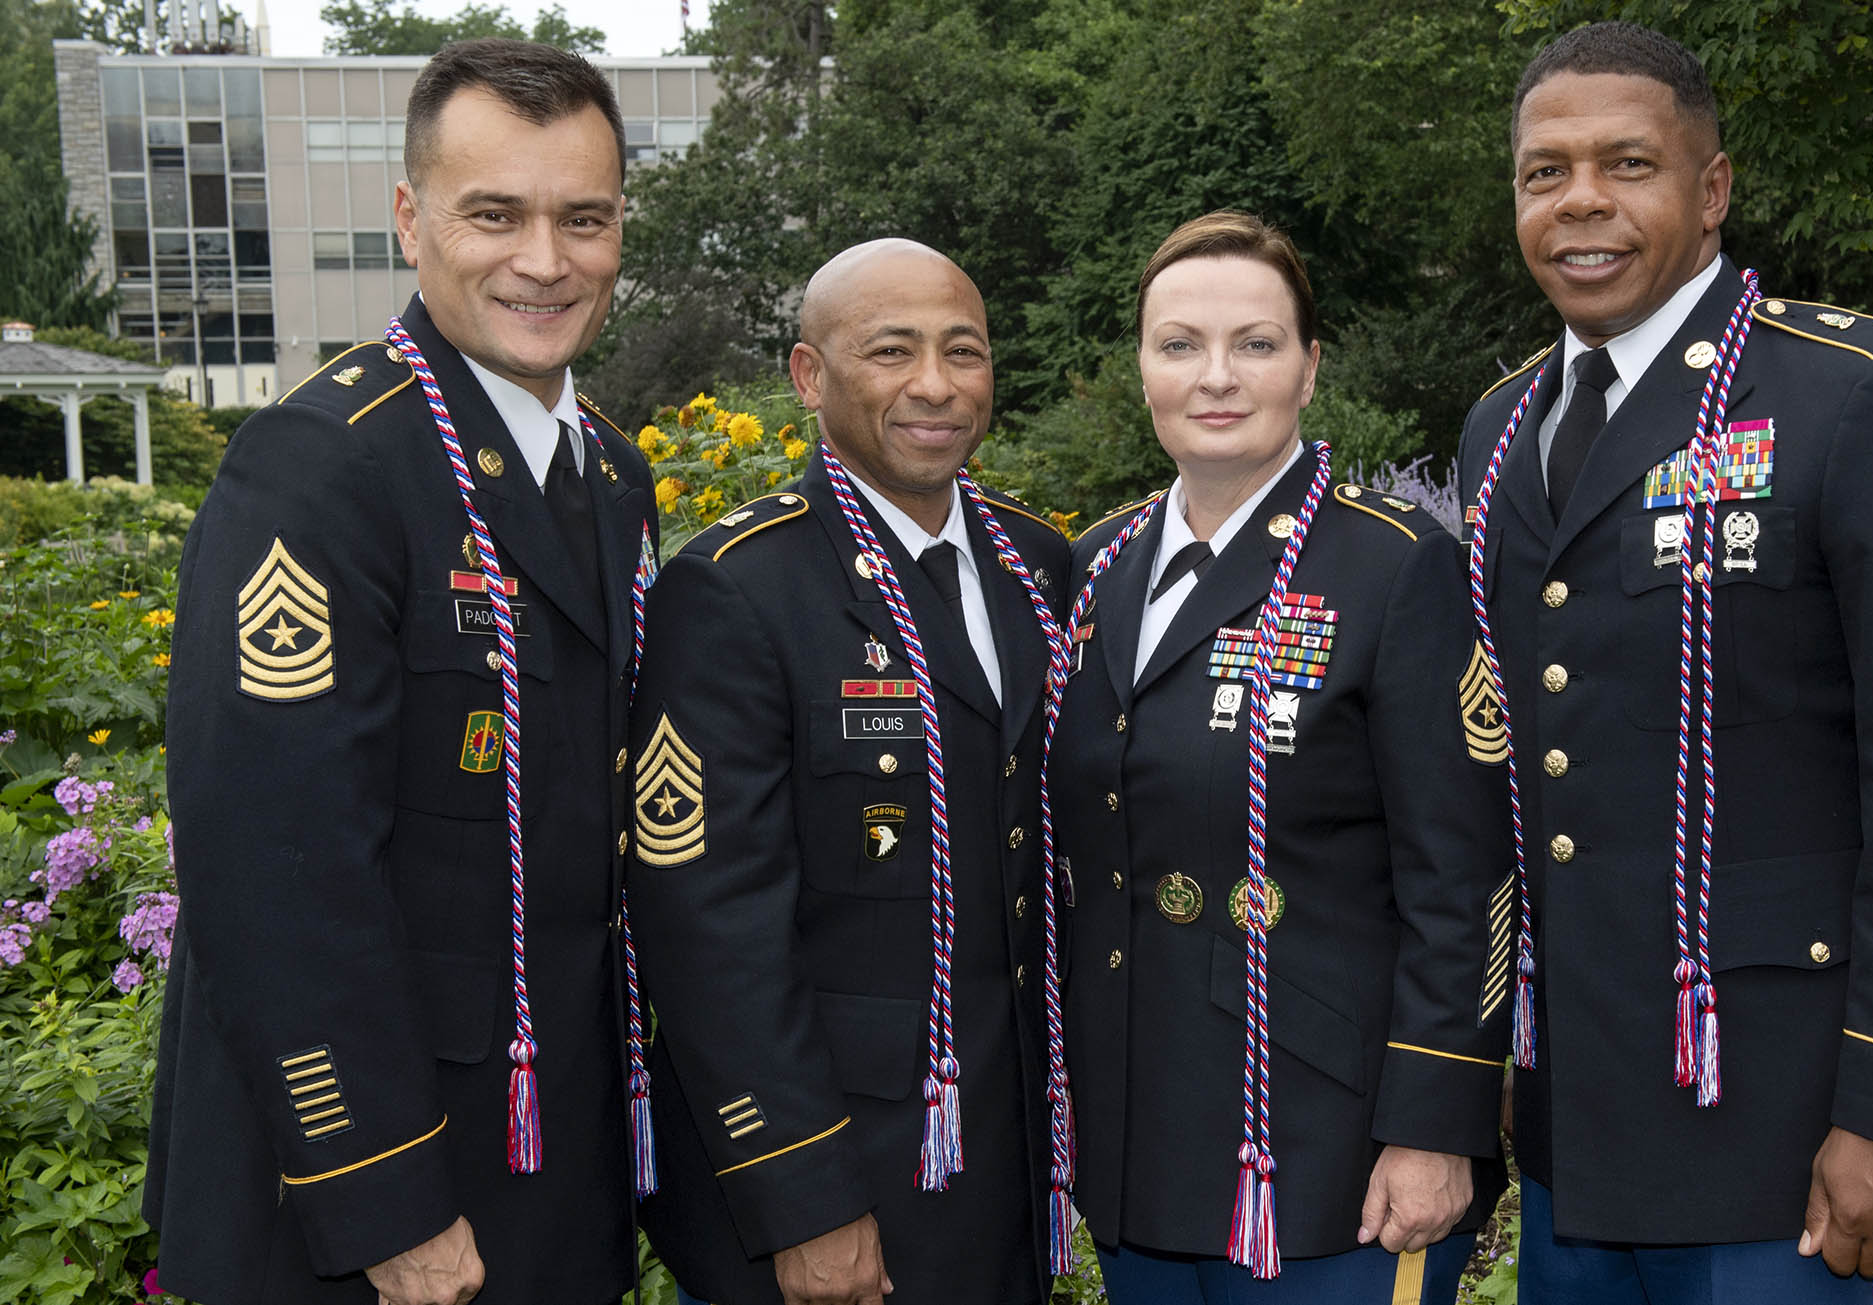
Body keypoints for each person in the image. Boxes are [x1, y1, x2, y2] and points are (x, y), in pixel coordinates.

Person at [1453, 22, 1873, 1305]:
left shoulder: (1854, 394)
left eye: (1627, 164)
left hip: (1793, 1132)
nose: (1582, 204)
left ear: (1711, 189)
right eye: (1543, 173)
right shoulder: (1503, 428)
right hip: (1578, 1132)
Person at [149, 38, 655, 1305]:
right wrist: (383, 1195)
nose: (545, 260)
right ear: (408, 220)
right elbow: (275, 870)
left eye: (581, 219)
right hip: (367, 1196)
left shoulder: (606, 470)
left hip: (549, 1156)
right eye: (496, 213)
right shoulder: (320, 469)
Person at [1049, 210, 1512, 1305]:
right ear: (1141, 369)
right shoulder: (1092, 567)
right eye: (1179, 345)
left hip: (1328, 1153)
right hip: (1139, 1134)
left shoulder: (1395, 569)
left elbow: (1466, 872)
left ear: (1309, 369)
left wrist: (1435, 1121)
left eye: (1255, 344)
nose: (1216, 376)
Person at [628, 239, 1069, 1305]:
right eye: (892, 350)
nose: (935, 385)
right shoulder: (737, 588)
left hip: (999, 1160)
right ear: (810, 377)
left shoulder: (1036, 564)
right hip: (832, 1178)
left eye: (963, 351)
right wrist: (803, 1197)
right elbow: (708, 923)